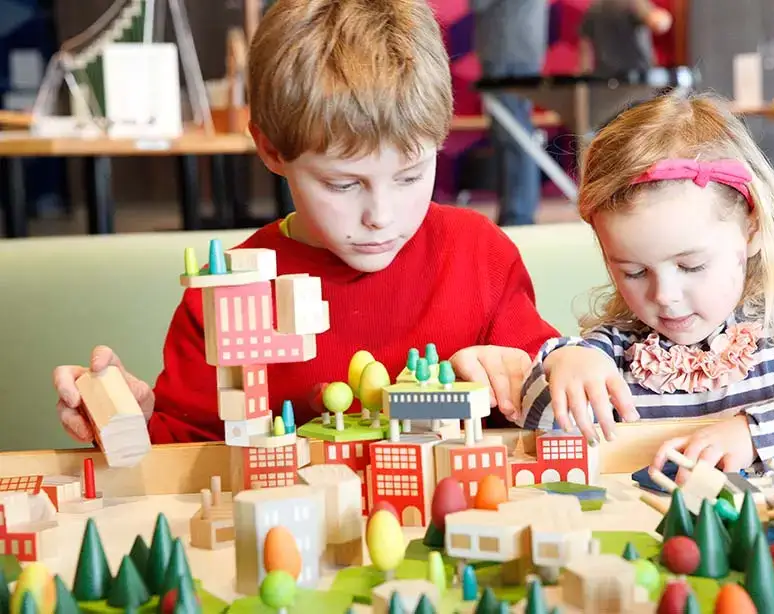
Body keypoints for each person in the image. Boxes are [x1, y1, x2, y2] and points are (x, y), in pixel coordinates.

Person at [52, 0, 559, 445]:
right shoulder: (228, 294)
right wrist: (132, 420)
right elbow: (188, 451)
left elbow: (552, 405)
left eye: (409, 176)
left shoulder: (480, 255)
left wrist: (547, 377)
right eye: (342, 184)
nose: (380, 216)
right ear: (271, 149)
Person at [511, 92, 774, 480]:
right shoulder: (614, 353)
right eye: (635, 272)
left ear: (752, 228)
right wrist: (562, 360)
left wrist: (754, 434)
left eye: (691, 265)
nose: (664, 295)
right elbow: (541, 423)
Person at [470, 0, 549, 227]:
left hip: (506, 49)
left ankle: (518, 214)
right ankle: (515, 211)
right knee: (514, 132)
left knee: (513, 135)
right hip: (520, 49)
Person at [579, 0, 673, 77]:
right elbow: (657, 23)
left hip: (605, 80)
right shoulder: (634, 3)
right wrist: (664, 18)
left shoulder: (594, 7)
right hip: (638, 78)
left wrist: (585, 73)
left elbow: (585, 43)